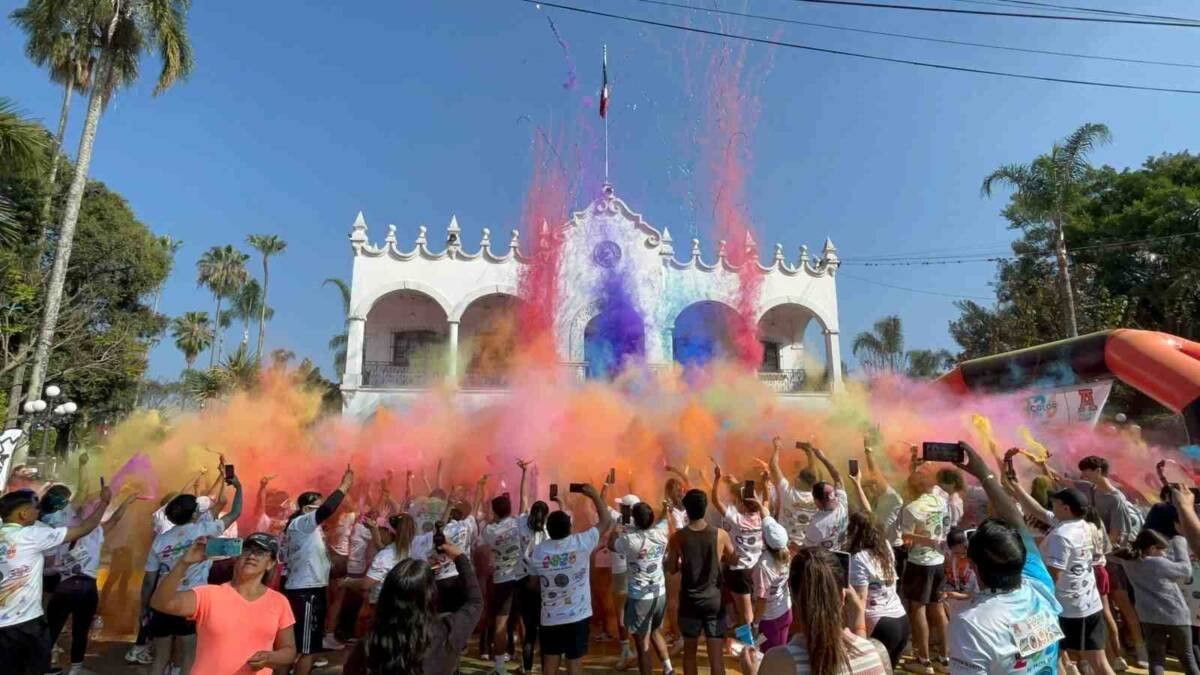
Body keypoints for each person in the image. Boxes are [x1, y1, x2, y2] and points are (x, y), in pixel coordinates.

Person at [946, 441, 1064, 674]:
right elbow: (1016, 522)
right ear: (1022, 557)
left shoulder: (972, 623)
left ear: (973, 566)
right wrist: (986, 475)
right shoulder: (1040, 586)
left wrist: (985, 474)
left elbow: (1017, 523)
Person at [0, 486, 111, 675]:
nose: (39, 511)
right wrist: (104, 502)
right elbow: (84, 528)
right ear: (23, 513)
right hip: (26, 622)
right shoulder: (31, 535)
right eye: (35, 507)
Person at [149, 532, 297, 673]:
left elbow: (289, 650)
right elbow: (161, 603)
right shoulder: (209, 595)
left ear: (270, 563)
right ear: (237, 556)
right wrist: (183, 563)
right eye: (247, 550)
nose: (251, 556)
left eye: (260, 552)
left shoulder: (279, 602)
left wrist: (270, 658)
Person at [143, 477, 244, 675]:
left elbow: (148, 580)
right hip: (191, 602)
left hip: (162, 601)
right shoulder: (203, 530)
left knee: (160, 659)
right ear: (196, 513)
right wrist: (238, 487)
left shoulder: (160, 541)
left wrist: (145, 607)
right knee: (189, 658)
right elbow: (235, 512)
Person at [343, 542, 484, 675]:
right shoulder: (447, 631)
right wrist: (459, 557)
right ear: (430, 596)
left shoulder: (369, 645)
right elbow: (475, 602)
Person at [45, 490, 139, 675]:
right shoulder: (95, 532)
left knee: (52, 629)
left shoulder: (58, 534)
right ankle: (76, 668)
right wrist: (127, 501)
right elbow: (115, 519)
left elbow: (49, 565)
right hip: (86, 588)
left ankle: (43, 665)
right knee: (81, 630)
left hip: (64, 586)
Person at [526, 481, 613, 675]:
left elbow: (532, 583)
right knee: (574, 665)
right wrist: (594, 495)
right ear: (570, 527)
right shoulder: (581, 542)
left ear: (549, 529)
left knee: (549, 666)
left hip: (550, 618)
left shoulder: (539, 551)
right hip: (577, 617)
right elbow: (606, 520)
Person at [759, 547, 889, 675]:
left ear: (792, 594)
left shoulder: (779, 661)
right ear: (842, 597)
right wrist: (858, 613)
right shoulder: (872, 653)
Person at [1075, 455, 1148, 667]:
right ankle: (1119, 651)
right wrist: (1041, 463)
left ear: (1098, 470)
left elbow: (1116, 534)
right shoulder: (1092, 490)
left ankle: (1140, 648)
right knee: (1107, 609)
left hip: (1112, 560)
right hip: (1098, 559)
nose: (1082, 474)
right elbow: (1063, 481)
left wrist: (1096, 550)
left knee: (1123, 605)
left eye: (1086, 470)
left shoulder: (1116, 498)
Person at [283, 465, 353, 675]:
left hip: (310, 589)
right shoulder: (301, 523)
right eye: (317, 507)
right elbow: (327, 510)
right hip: (306, 591)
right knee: (306, 650)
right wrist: (344, 486)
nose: (323, 512)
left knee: (305, 647)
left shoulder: (307, 527)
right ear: (306, 509)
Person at [1112, 526, 1200, 674]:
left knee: (1156, 660)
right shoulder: (1158, 563)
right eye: (1162, 550)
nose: (1164, 554)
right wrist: (1179, 542)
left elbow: (1120, 553)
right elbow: (1186, 570)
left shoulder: (1129, 562)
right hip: (1175, 616)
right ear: (1152, 548)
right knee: (1187, 657)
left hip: (1148, 616)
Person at [666, 488, 735, 675]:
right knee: (716, 656)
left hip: (690, 600)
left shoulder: (678, 537)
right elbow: (734, 559)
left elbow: (671, 568)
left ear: (686, 510)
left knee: (689, 654)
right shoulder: (720, 534)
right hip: (714, 600)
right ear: (705, 508)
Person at [844, 477, 909, 668]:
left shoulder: (858, 558)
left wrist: (858, 639)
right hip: (901, 621)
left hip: (879, 624)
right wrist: (857, 485)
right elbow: (870, 517)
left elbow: (860, 600)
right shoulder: (885, 546)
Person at [613, 499, 675, 675]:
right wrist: (665, 510)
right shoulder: (661, 533)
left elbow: (612, 545)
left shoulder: (630, 540)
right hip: (659, 594)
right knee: (654, 631)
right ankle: (668, 669)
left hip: (640, 598)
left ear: (634, 520)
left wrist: (615, 530)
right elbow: (663, 520)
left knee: (642, 645)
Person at [481, 459, 531, 675]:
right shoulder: (519, 522)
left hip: (502, 580)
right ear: (510, 509)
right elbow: (524, 499)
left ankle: (500, 668)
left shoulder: (490, 531)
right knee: (523, 622)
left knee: (501, 623)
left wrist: (484, 488)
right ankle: (526, 666)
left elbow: (485, 516)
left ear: (494, 512)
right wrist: (524, 473)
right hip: (522, 577)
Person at [899, 464, 949, 675]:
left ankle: (924, 661)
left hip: (919, 563)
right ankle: (944, 658)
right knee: (938, 608)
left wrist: (925, 540)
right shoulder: (941, 501)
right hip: (938, 562)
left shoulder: (911, 508)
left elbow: (906, 538)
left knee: (918, 609)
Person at [711, 462, 763, 636]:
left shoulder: (737, 520)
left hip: (739, 570)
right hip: (754, 567)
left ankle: (748, 644)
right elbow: (766, 501)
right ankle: (747, 640)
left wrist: (717, 479)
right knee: (747, 610)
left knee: (745, 614)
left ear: (742, 503)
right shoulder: (761, 516)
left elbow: (715, 501)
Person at [768, 438, 820, 550]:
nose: (795, 478)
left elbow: (773, 466)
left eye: (798, 476)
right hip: (805, 547)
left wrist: (777, 447)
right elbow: (814, 477)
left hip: (784, 544)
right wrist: (810, 453)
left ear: (799, 480)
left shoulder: (788, 493)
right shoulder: (818, 498)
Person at [518, 499, 550, 672]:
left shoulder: (521, 524)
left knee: (529, 631)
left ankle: (527, 669)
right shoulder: (548, 531)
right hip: (543, 584)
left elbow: (523, 502)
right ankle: (546, 670)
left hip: (525, 581)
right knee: (544, 631)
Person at [755, 514, 793, 653]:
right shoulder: (786, 553)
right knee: (781, 651)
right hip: (785, 612)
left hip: (770, 621)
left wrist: (755, 624)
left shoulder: (763, 566)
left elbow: (762, 600)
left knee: (769, 656)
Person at [804, 444, 848, 550]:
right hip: (843, 554)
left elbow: (807, 550)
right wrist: (823, 458)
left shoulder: (817, 524)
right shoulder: (841, 504)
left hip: (825, 559)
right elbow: (838, 478)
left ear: (817, 501)